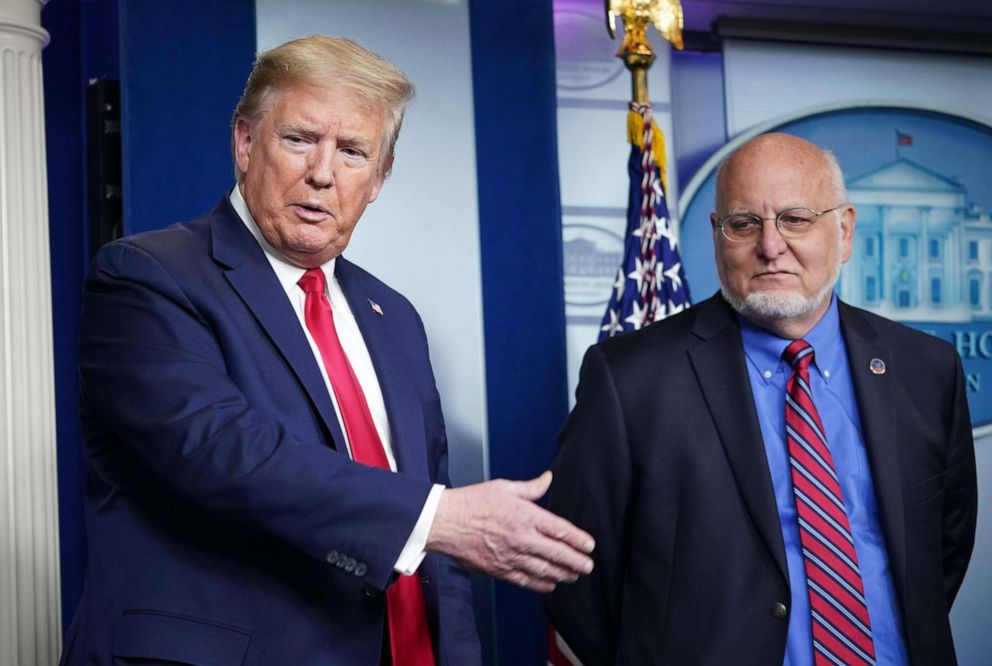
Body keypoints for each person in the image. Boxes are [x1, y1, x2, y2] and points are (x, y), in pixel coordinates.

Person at [62, 36, 593, 665]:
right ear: (244, 142)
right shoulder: (149, 275)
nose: (322, 173)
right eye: (299, 139)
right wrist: (438, 517)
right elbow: (221, 453)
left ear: (378, 179)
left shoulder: (392, 317)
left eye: (352, 152)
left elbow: (435, 549)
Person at [544, 133, 977, 665]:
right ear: (717, 235)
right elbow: (575, 572)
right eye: (744, 223)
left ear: (843, 231)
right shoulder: (629, 378)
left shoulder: (926, 370)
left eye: (795, 219)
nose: (770, 246)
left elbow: (940, 556)